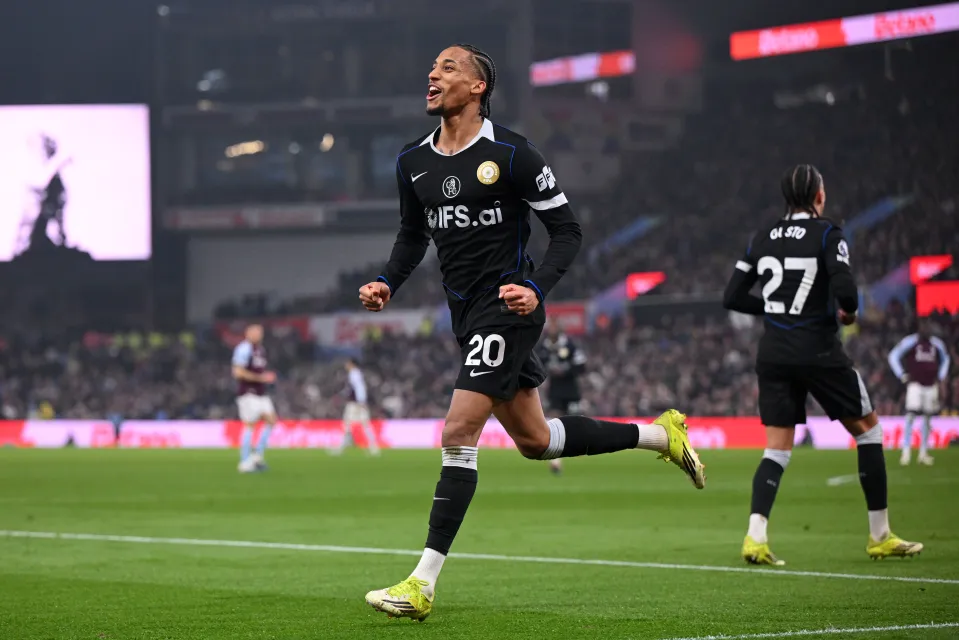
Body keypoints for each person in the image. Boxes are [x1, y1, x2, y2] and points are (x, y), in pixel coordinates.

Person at [359, 44, 705, 622]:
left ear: (477, 88)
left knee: (458, 430)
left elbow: (566, 230)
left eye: (448, 67)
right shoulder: (411, 162)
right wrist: (386, 281)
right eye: (433, 66)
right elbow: (412, 236)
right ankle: (658, 435)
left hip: (509, 308)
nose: (432, 74)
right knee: (536, 442)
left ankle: (421, 583)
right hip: (466, 316)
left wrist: (537, 287)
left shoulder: (513, 154)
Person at [723, 164, 922, 566]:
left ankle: (755, 537)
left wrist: (772, 307)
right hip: (817, 348)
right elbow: (846, 288)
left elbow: (732, 296)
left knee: (776, 449)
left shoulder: (762, 237)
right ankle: (879, 535)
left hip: (774, 351)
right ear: (819, 196)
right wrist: (848, 312)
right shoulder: (829, 233)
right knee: (869, 431)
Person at [888, 321, 950, 466]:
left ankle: (923, 452)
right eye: (923, 327)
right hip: (915, 384)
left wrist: (941, 376)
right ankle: (906, 452)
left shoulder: (936, 343)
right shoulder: (910, 341)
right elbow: (893, 356)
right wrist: (902, 374)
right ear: (919, 329)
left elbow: (946, 359)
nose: (926, 330)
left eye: (928, 327)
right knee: (911, 416)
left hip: (931, 385)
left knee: (927, 418)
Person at [538, 320, 587, 475]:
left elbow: (581, 365)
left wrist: (565, 370)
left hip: (571, 389)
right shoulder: (543, 347)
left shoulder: (570, 345)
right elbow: (536, 364)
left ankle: (577, 449)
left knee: (574, 420)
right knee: (554, 420)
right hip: (555, 390)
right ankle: (555, 460)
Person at [231, 324, 277, 473]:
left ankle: (257, 456)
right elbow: (238, 372)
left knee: (271, 419)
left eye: (260, 332)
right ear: (247, 334)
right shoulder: (244, 349)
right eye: (255, 332)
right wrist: (261, 378)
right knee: (250, 424)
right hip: (248, 392)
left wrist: (265, 378)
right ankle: (244, 461)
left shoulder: (261, 350)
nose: (258, 335)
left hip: (260, 393)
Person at [332, 358, 380, 456]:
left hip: (354, 404)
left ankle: (343, 446)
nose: (346, 365)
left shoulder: (354, 374)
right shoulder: (356, 373)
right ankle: (373, 448)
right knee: (365, 424)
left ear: (352, 364)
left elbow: (358, 388)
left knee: (348, 424)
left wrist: (360, 401)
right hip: (358, 402)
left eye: (347, 363)